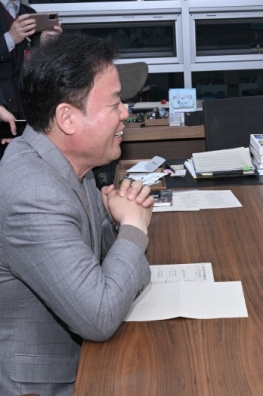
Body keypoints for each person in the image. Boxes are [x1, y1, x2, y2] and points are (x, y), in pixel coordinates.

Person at [0, 34, 153, 395]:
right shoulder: (33, 195)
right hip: (51, 382)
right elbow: (99, 316)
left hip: (88, 359)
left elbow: (105, 267)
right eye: (114, 103)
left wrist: (118, 222)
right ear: (67, 119)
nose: (125, 113)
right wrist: (133, 226)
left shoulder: (69, 163)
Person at [0, 0, 62, 119]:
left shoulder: (29, 12)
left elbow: (33, 62)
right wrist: (10, 38)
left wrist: (45, 44)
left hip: (26, 106)